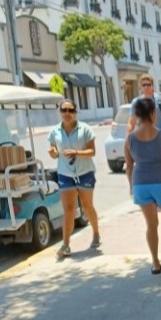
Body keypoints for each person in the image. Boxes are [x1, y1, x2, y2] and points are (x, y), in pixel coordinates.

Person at [124, 96, 161, 274]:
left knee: (151, 224)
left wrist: (131, 186)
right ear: (152, 114)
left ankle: (155, 263)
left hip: (140, 184)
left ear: (137, 115)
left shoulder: (130, 139)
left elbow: (129, 166)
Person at [48, 98, 101, 260]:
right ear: (60, 112)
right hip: (65, 174)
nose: (67, 113)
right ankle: (65, 244)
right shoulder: (55, 131)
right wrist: (53, 153)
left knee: (87, 205)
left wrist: (76, 152)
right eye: (64, 110)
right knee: (69, 210)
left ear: (75, 113)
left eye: (70, 110)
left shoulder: (85, 129)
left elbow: (92, 152)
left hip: (85, 172)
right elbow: (53, 151)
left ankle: (96, 233)